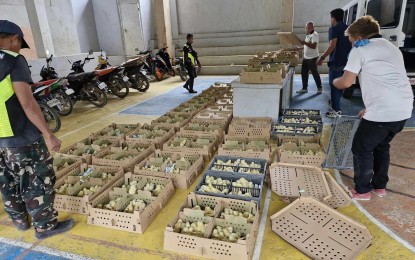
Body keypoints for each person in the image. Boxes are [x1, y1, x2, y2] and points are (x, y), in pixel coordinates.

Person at [0, 20, 74, 239]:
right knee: (37, 181)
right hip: (21, 137)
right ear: (14, 39)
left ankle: (21, 221)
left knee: (7, 182)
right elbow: (28, 103)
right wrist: (48, 134)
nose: (18, 49)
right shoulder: (13, 61)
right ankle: (44, 226)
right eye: (19, 44)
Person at [333, 16, 414, 200]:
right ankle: (380, 187)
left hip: (384, 112)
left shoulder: (361, 50)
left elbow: (346, 82)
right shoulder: (393, 49)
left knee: (361, 147)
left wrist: (334, 81)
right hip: (403, 109)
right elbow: (386, 81)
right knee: (381, 145)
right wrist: (369, 108)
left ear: (360, 37)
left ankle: (362, 190)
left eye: (351, 40)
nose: (351, 44)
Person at [317, 8, 352, 118]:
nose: (330, 20)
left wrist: (322, 57)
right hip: (346, 61)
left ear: (333, 18)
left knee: (334, 85)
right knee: (341, 84)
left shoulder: (334, 29)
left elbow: (332, 45)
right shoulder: (348, 28)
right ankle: (335, 103)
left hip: (336, 61)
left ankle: (336, 110)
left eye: (331, 18)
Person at [296, 21, 323, 94]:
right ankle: (304, 88)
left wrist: (304, 43)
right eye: (306, 28)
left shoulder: (315, 35)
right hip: (306, 57)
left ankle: (319, 88)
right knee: (304, 73)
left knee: (314, 73)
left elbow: (314, 46)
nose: (307, 29)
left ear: (312, 27)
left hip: (313, 57)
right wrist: (300, 48)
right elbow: (306, 46)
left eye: (309, 28)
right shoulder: (307, 35)